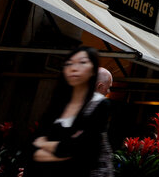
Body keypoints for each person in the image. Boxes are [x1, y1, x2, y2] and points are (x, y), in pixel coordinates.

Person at [27, 46, 112, 177]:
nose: (74, 68)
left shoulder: (100, 105)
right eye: (69, 63)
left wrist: (47, 146)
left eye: (82, 62)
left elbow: (83, 151)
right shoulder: (58, 103)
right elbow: (33, 149)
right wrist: (63, 150)